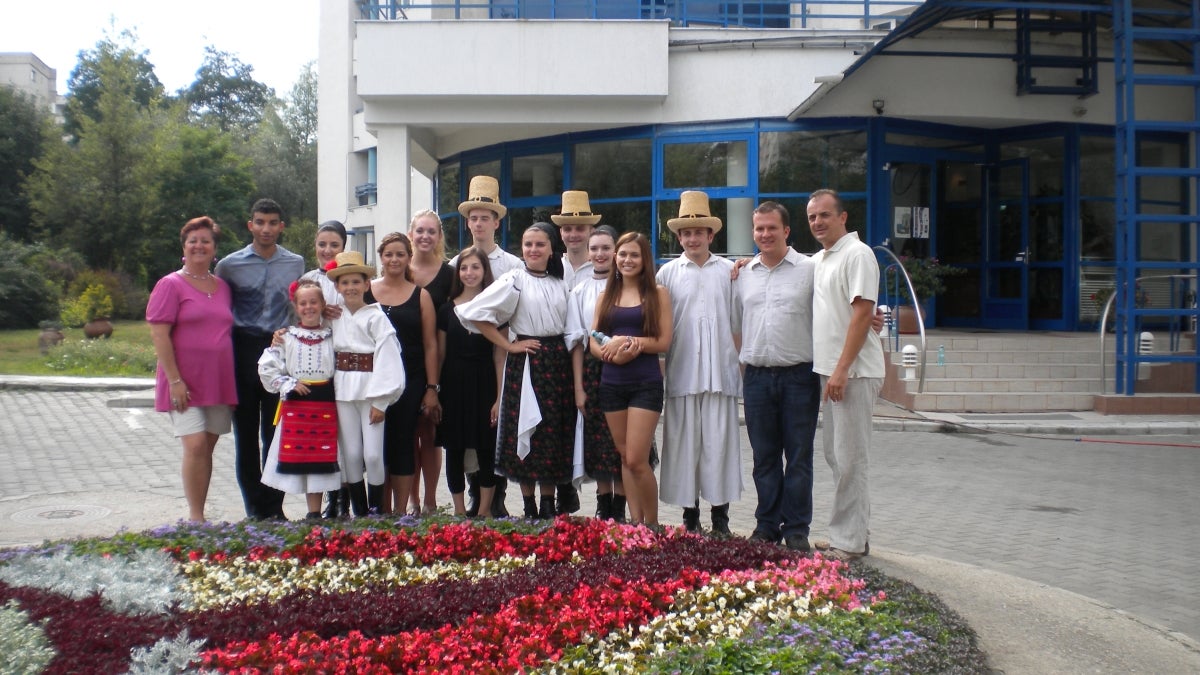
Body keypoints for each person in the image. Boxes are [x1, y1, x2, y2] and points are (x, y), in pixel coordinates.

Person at [458, 222, 573, 520]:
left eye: (539, 244)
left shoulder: (562, 280)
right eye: (528, 244)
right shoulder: (514, 279)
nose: (533, 250)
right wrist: (509, 345)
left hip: (557, 364)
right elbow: (474, 313)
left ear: (551, 249)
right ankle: (529, 504)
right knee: (526, 430)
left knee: (551, 432)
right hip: (527, 361)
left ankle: (548, 504)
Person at [732, 200, 820, 552]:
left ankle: (797, 528)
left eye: (771, 228)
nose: (765, 234)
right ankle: (767, 524)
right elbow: (737, 324)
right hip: (756, 378)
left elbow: (835, 309)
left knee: (798, 457)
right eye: (759, 228)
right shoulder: (742, 275)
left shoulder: (811, 269)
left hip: (799, 376)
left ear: (786, 230)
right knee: (764, 457)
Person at [656, 191, 743, 536]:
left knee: (719, 444)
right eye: (686, 233)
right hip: (683, 371)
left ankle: (720, 515)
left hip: (721, 371)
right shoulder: (667, 274)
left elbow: (743, 315)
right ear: (679, 237)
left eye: (700, 232)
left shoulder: (731, 271)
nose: (693, 238)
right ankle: (689, 514)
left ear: (711, 235)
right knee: (684, 444)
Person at [808, 188, 886, 561]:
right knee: (838, 458)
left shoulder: (858, 254)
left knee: (851, 459)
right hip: (832, 373)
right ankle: (851, 533)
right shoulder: (823, 258)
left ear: (843, 217)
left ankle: (850, 543)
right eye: (812, 217)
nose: (818, 222)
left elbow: (861, 314)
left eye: (824, 215)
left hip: (852, 374)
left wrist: (842, 370)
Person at [215, 198, 305, 520]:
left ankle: (274, 507)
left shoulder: (296, 263)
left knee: (276, 433)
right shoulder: (228, 265)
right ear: (250, 224)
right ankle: (253, 508)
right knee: (246, 435)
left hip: (278, 352)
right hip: (242, 350)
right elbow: (217, 309)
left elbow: (302, 304)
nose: (266, 229)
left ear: (281, 226)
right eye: (260, 222)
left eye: (272, 223)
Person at [147, 216, 237, 522]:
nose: (199, 245)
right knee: (195, 445)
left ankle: (201, 511)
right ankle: (195, 518)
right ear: (184, 247)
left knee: (206, 449)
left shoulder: (223, 287)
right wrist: (174, 380)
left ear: (214, 250)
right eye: (193, 241)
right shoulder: (169, 285)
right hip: (183, 382)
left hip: (218, 381)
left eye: (205, 241)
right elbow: (159, 334)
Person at [589, 232, 673, 526]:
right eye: (623, 254)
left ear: (644, 259)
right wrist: (611, 354)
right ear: (616, 258)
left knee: (638, 458)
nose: (627, 260)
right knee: (624, 457)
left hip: (645, 383)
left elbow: (663, 341)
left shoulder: (657, 294)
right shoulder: (605, 296)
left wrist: (627, 342)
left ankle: (652, 524)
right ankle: (635, 524)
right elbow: (594, 343)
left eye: (634, 255)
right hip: (612, 385)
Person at [453, 176, 521, 518]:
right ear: (468, 222)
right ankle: (473, 492)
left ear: (496, 222)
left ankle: (497, 495)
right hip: (466, 360)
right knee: (469, 432)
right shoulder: (456, 265)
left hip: (502, 355)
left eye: (485, 217)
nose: (479, 223)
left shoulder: (513, 265)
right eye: (474, 217)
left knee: (498, 429)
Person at [326, 251, 405, 515]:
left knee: (372, 455)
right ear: (337, 286)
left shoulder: (376, 316)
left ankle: (377, 509)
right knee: (350, 454)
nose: (350, 287)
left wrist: (381, 400)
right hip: (342, 390)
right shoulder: (332, 317)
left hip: (371, 391)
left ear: (366, 284)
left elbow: (389, 358)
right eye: (345, 283)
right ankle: (359, 511)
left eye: (355, 282)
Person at [370, 232, 441, 516]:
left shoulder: (420, 295)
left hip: (410, 381)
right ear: (381, 258)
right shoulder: (367, 291)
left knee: (402, 442)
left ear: (409, 258)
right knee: (377, 446)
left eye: (400, 254)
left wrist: (432, 387)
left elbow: (430, 344)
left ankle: (399, 511)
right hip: (373, 381)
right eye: (389, 254)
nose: (395, 259)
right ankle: (379, 508)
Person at [257, 280, 341, 519]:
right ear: (295, 306)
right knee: (302, 456)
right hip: (297, 405)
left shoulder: (332, 336)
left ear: (323, 304)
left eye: (314, 302)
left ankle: (315, 512)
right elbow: (267, 367)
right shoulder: (286, 337)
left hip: (326, 404)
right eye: (303, 303)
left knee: (321, 457)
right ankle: (284, 510)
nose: (309, 307)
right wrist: (288, 383)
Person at [566, 226, 625, 520]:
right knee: (600, 438)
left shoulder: (631, 286)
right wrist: (578, 387)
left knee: (623, 438)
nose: (600, 254)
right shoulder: (579, 291)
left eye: (605, 248)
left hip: (628, 368)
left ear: (616, 251)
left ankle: (621, 504)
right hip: (592, 369)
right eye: (595, 249)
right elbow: (577, 343)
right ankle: (604, 502)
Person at [438, 246, 502, 517]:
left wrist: (500, 397)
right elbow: (440, 353)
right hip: (453, 384)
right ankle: (460, 510)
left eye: (475, 267)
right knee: (454, 447)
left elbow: (499, 353)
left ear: (485, 271)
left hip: (485, 382)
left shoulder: (495, 308)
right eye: (464, 268)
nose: (469, 273)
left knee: (486, 446)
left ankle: (485, 509)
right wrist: (435, 391)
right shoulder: (446, 309)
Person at [551, 190, 601, 515]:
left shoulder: (601, 264)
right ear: (560, 232)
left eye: (580, 227)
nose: (573, 233)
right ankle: (563, 490)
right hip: (555, 354)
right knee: (558, 423)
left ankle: (604, 496)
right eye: (568, 228)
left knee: (595, 424)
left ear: (590, 231)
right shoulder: (551, 264)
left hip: (593, 355)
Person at [406, 210, 455, 516]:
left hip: (440, 363)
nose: (425, 236)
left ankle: (431, 500)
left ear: (439, 236)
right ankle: (411, 499)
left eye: (431, 232)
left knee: (431, 435)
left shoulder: (449, 274)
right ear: (411, 233)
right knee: (408, 434)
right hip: (406, 363)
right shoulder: (399, 267)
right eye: (419, 231)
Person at [301, 220, 350, 518]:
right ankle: (325, 497)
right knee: (322, 434)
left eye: (334, 245)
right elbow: (298, 314)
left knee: (344, 435)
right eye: (322, 244)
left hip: (344, 366)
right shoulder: (308, 278)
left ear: (343, 248)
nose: (327, 250)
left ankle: (343, 494)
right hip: (316, 365)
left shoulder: (348, 279)